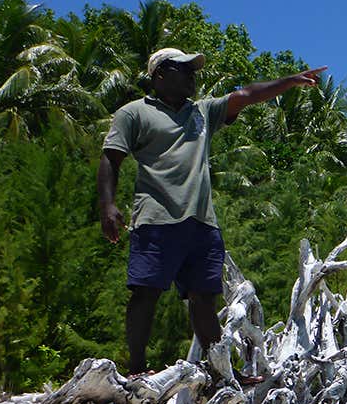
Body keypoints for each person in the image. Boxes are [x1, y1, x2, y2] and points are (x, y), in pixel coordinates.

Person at [98, 48, 325, 376]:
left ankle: (222, 373)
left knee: (204, 298)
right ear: (160, 74)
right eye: (184, 69)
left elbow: (245, 95)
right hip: (155, 217)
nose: (193, 75)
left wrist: (289, 82)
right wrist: (107, 205)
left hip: (202, 223)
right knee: (145, 293)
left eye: (194, 70)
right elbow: (110, 159)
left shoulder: (203, 112)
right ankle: (136, 370)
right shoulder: (133, 113)